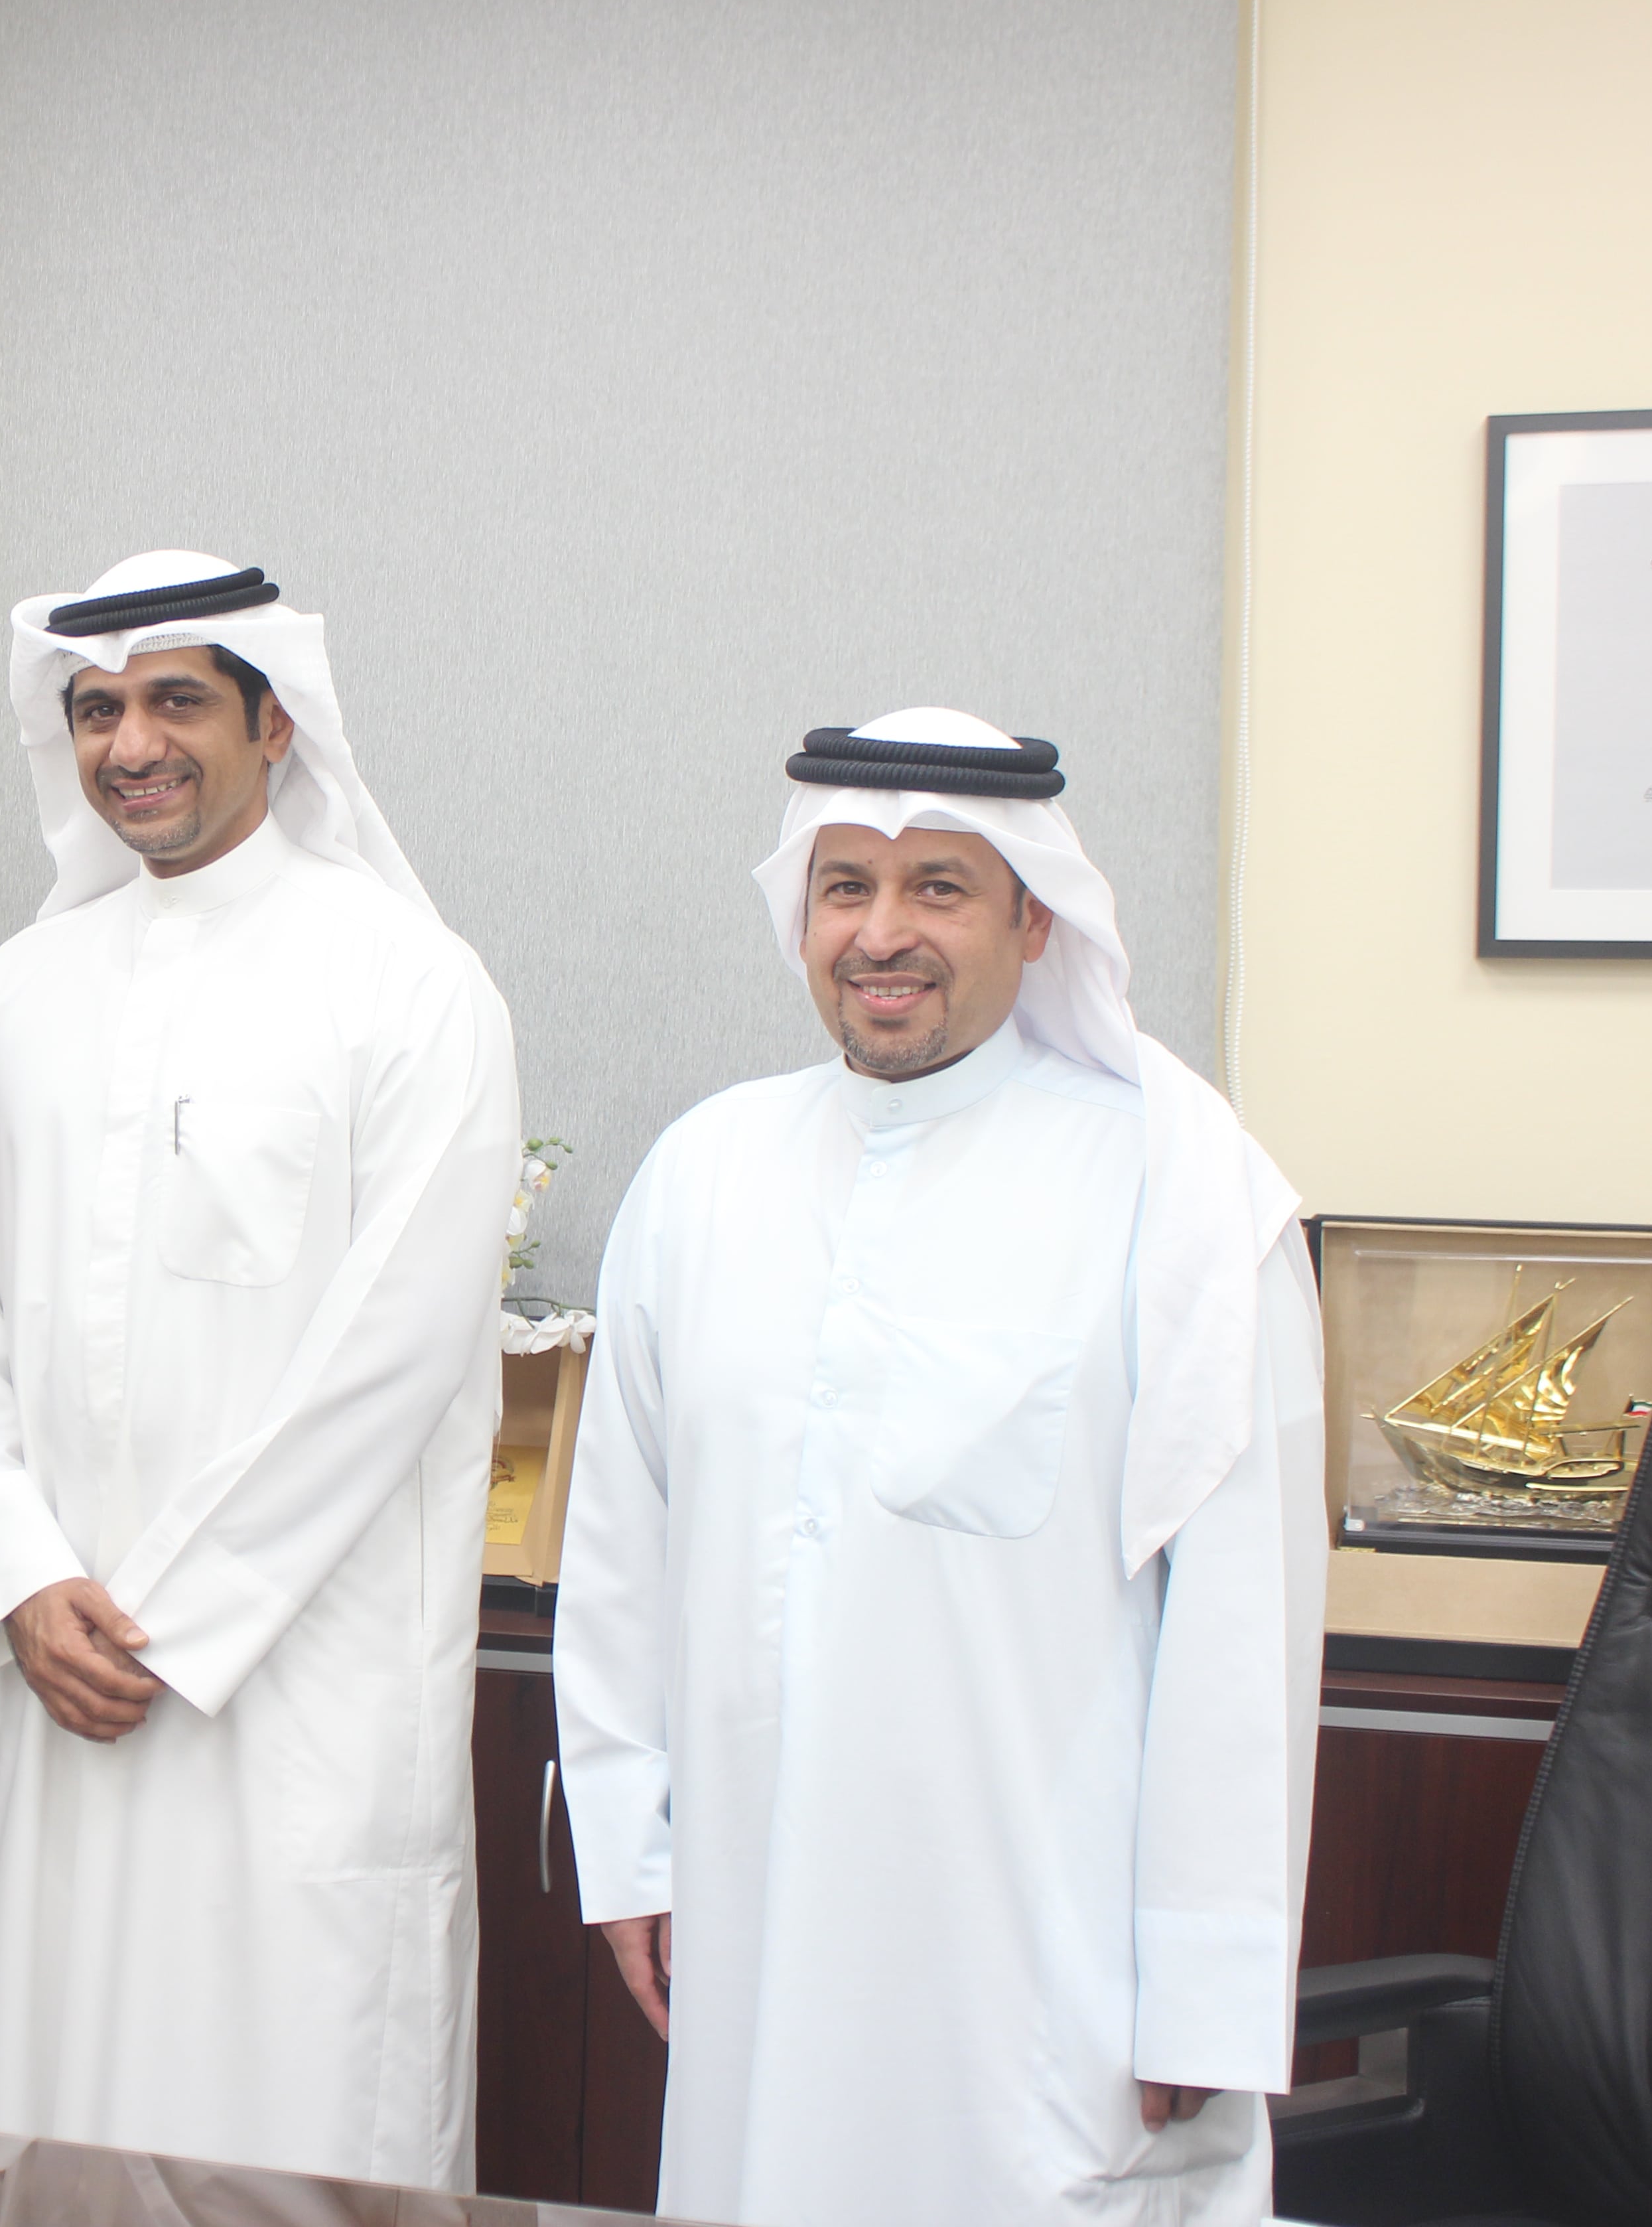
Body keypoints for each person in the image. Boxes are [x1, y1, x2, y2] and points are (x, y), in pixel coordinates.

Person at [553, 711, 1326, 2227]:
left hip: (1048, 1974)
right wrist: (628, 1851)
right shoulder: (703, 1174)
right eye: (845, 886)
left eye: (939, 888)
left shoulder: (1180, 1193)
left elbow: (1244, 1623)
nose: (880, 932)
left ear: (1036, 918)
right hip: (753, 1930)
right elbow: (620, 1550)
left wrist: (1204, 1984)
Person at [0, 552, 520, 2187]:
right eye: (95, 710)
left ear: (275, 723)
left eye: (175, 700)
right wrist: (25, 1575)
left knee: (297, 2127)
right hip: (61, 1674)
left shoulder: (409, 983)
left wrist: (170, 1620)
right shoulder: (20, 991)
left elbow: (396, 1352)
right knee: (56, 2119)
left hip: (299, 1689)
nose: (130, 745)